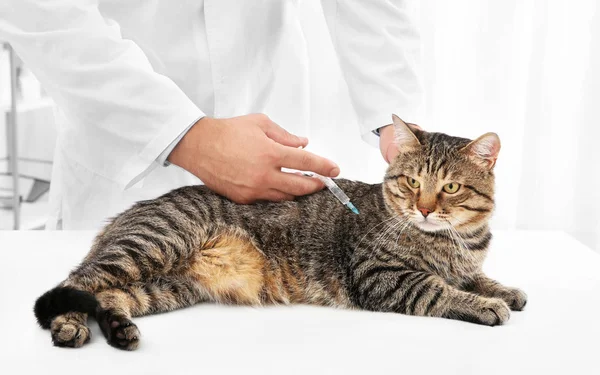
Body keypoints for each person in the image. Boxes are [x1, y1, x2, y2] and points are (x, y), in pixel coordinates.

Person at [0, 0, 423, 230]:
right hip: (127, 145)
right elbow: (41, 12)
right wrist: (186, 136)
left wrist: (396, 117)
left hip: (271, 115)